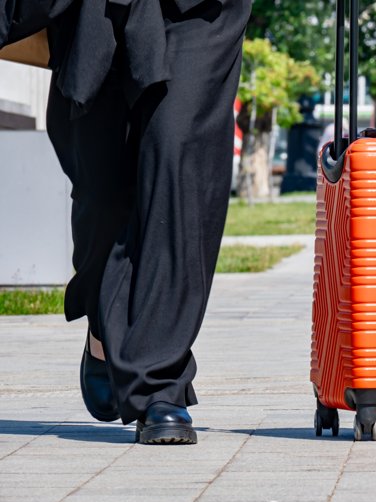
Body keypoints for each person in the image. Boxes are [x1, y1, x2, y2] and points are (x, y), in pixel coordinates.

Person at [2, 0, 249, 444]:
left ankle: (158, 385)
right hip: (93, 11)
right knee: (102, 192)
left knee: (178, 165)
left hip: (196, 13)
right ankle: (102, 322)